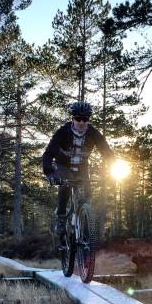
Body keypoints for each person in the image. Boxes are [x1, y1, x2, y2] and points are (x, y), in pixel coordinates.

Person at [42, 100, 115, 235]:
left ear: (88, 120)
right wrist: (50, 173)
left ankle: (83, 219)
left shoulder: (93, 133)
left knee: (87, 195)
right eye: (78, 118)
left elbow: (106, 151)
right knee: (65, 184)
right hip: (63, 165)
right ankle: (62, 217)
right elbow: (49, 152)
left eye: (85, 119)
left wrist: (112, 168)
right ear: (72, 118)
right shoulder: (63, 131)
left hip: (82, 167)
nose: (81, 122)